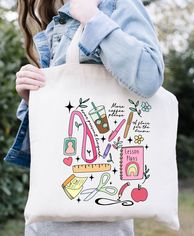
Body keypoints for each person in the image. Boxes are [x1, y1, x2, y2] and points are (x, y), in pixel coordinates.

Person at [4, 0, 164, 235]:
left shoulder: (118, 5)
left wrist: (93, 19)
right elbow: (56, 127)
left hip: (99, 222)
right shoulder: (57, 19)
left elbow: (149, 75)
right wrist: (32, 97)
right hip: (46, 212)